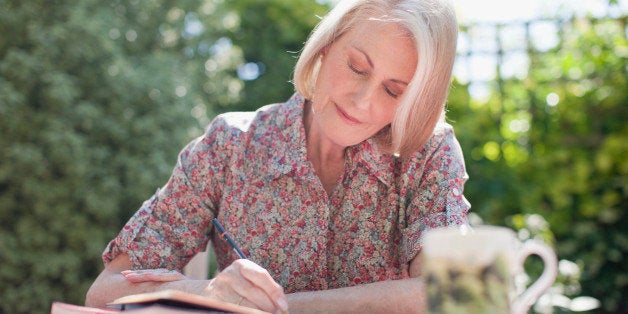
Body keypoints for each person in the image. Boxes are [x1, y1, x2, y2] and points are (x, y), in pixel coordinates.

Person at [85, 0, 469, 312]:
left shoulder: (428, 153)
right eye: (356, 67)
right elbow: (106, 291)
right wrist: (206, 293)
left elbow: (448, 294)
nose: (363, 101)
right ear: (325, 47)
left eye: (393, 91)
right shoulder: (230, 146)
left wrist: (278, 306)